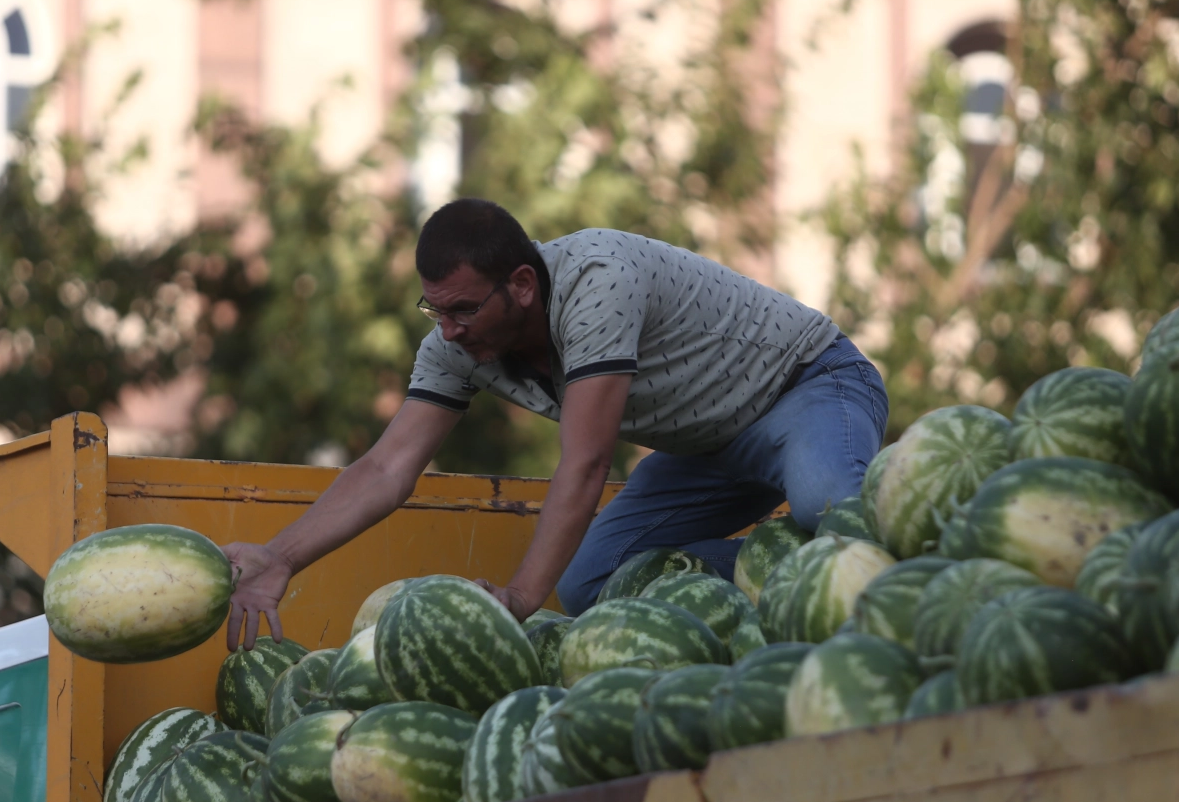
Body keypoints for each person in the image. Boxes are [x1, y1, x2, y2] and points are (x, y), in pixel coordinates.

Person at [223, 198, 887, 649]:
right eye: (434, 311)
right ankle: (779, 572)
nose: (448, 330)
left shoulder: (597, 280)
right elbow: (388, 467)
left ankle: (904, 566)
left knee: (833, 509)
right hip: (709, 449)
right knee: (592, 585)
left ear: (521, 284)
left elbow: (587, 463)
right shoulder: (456, 343)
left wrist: (517, 598)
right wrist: (279, 558)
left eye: (462, 310)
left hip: (808, 386)